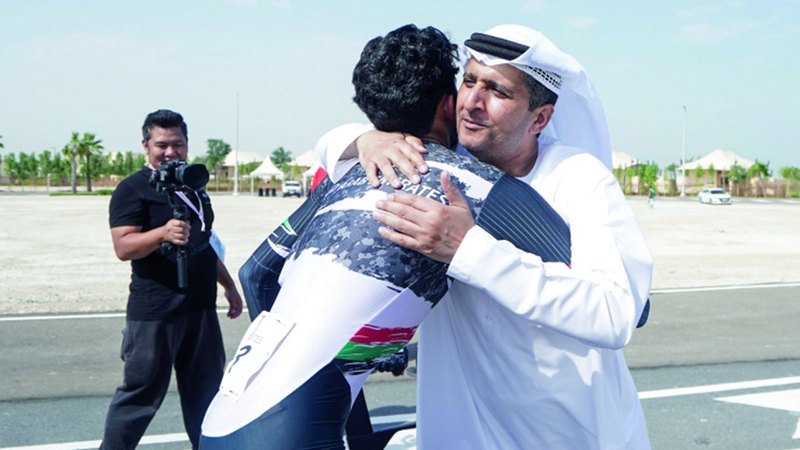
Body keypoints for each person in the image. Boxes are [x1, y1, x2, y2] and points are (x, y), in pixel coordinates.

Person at [200, 25, 571, 449]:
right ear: (447, 105)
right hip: (296, 435)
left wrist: (346, 354)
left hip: (221, 419)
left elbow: (256, 273)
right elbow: (588, 280)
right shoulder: (477, 184)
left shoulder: (347, 173)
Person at [317, 25, 653, 449]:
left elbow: (613, 312)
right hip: (462, 434)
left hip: (568, 434)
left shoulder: (578, 178)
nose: (472, 102)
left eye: (497, 91)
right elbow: (330, 146)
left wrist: (469, 250)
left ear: (540, 118)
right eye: (470, 81)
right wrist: (367, 139)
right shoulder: (440, 164)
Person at [102, 109, 243, 450]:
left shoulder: (193, 186)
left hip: (200, 308)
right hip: (155, 311)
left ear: (187, 144)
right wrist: (162, 233)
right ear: (145, 145)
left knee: (206, 395)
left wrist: (228, 285)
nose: (170, 152)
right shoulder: (132, 189)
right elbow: (123, 247)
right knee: (140, 395)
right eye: (161, 145)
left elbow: (205, 242)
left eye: (177, 144)